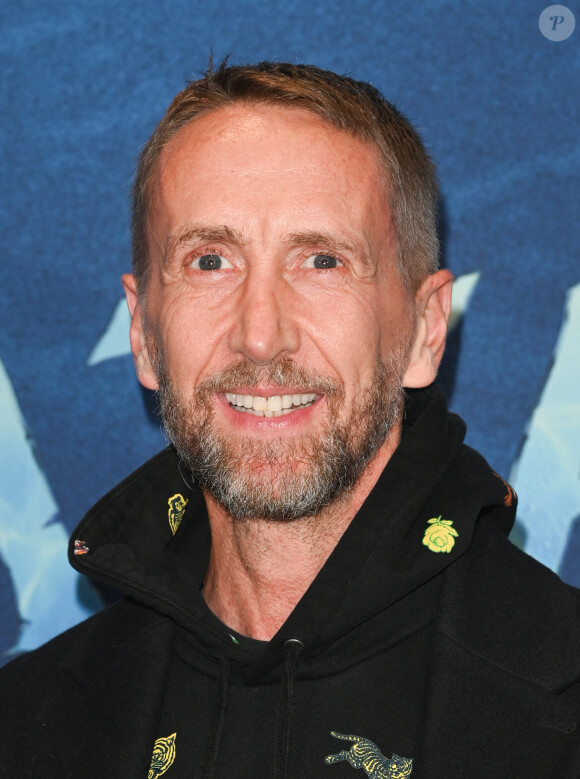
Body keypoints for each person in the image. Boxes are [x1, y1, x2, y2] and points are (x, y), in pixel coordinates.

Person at [1, 61, 579, 779]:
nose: (261, 335)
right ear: (144, 332)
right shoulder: (29, 724)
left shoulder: (562, 699)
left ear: (426, 330)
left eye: (322, 261)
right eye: (211, 260)